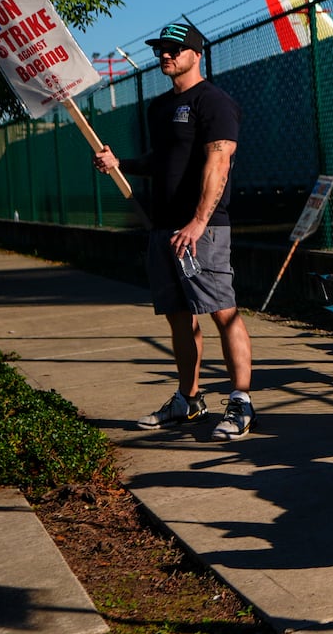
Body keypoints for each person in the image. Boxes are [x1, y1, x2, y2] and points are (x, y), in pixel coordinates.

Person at [93, 22, 256, 440]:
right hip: (163, 228)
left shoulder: (214, 102)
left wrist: (199, 222)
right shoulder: (160, 107)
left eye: (173, 48)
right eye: (160, 49)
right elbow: (164, 159)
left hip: (203, 228)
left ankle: (240, 402)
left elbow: (218, 164)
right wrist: (120, 165)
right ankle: (189, 399)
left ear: (195, 53)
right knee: (178, 318)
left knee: (223, 312)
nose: (164, 55)